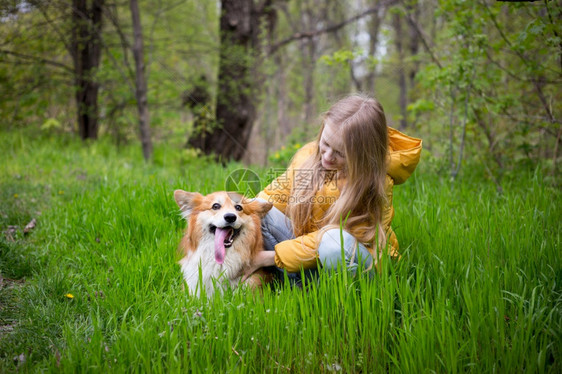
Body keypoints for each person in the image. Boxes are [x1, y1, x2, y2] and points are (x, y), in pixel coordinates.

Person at [243, 94, 422, 281]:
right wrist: (241, 211)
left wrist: (269, 258)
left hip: (354, 262)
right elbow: (272, 198)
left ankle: (338, 298)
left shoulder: (375, 184)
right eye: (326, 143)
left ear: (363, 155)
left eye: (340, 153)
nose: (327, 156)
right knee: (254, 213)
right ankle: (296, 285)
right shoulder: (309, 155)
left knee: (333, 243)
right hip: (306, 256)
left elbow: (335, 240)